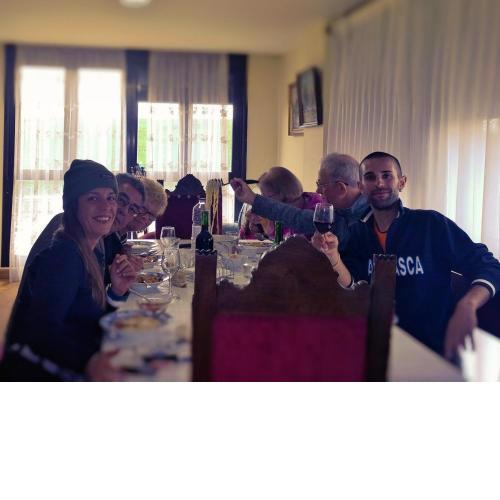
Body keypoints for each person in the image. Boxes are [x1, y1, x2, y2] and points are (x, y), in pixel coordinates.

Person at [312, 151, 500, 357]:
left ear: (401, 182)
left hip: (435, 349)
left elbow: (489, 265)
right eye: (370, 177)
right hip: (378, 348)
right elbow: (352, 285)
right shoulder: (357, 233)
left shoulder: (431, 225)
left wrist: (467, 304)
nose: (379, 183)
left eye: (387, 175)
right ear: (361, 187)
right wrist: (334, 257)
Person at [0, 160, 136, 381]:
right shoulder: (62, 256)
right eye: (93, 198)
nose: (106, 207)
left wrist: (116, 293)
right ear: (73, 206)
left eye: (111, 198)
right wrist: (89, 361)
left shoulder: (89, 250)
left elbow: (88, 322)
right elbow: (41, 333)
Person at [231, 154, 368, 247]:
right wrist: (253, 200)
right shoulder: (340, 214)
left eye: (322, 185)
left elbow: (295, 217)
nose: (318, 191)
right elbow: (295, 216)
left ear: (341, 188)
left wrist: (253, 199)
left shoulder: (367, 220)